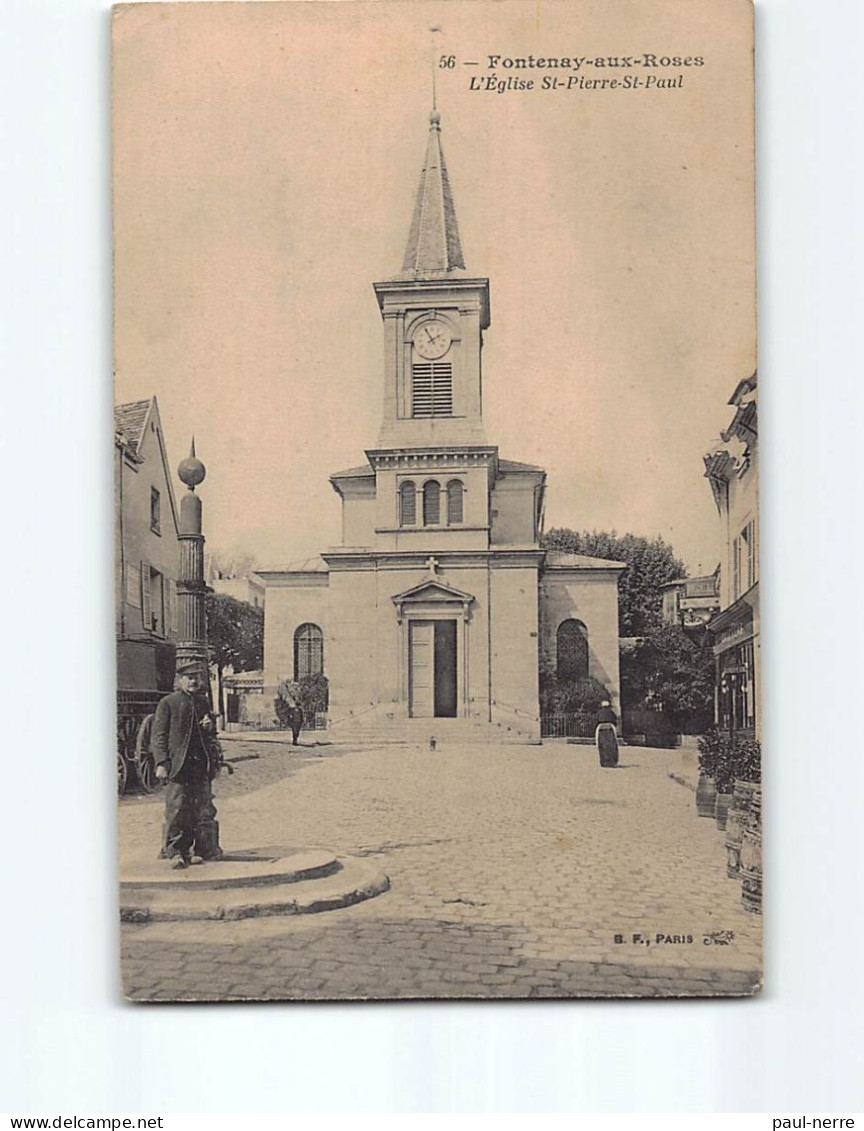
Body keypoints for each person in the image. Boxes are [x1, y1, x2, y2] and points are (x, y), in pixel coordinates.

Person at [152, 662, 220, 869]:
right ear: (180, 680)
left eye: (196, 677)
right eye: (189, 677)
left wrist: (209, 727)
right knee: (176, 809)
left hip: (199, 766)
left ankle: (194, 851)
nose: (193, 681)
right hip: (177, 766)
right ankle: (174, 852)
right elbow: (159, 735)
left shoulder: (202, 702)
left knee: (198, 808)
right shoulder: (168, 703)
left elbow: (210, 736)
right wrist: (162, 762)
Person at [595, 699, 619, 768]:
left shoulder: (599, 712)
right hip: (610, 728)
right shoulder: (611, 712)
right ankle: (612, 761)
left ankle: (604, 762)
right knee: (612, 745)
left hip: (601, 729)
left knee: (601, 745)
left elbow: (596, 721)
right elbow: (615, 720)